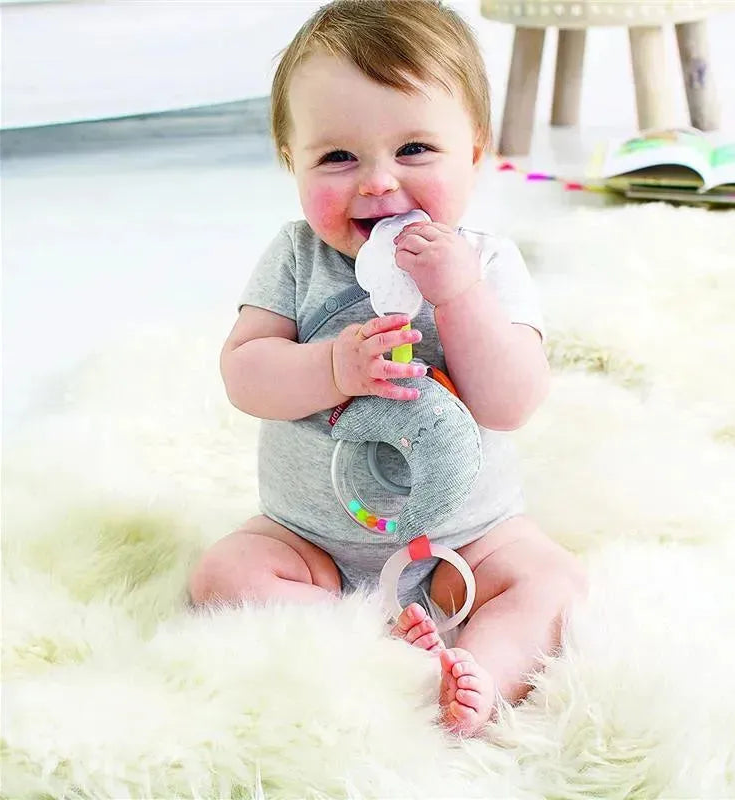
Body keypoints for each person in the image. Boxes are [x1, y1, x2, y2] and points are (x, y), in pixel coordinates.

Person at [189, 0, 586, 736]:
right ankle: (375, 641)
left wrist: (458, 295)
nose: (377, 182)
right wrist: (332, 368)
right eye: (338, 157)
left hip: (470, 541)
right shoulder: (297, 257)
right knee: (222, 577)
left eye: (414, 150)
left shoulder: (488, 262)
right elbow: (245, 374)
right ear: (292, 162)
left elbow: (511, 402)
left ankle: (479, 672)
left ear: (474, 153)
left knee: (554, 581)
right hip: (313, 544)